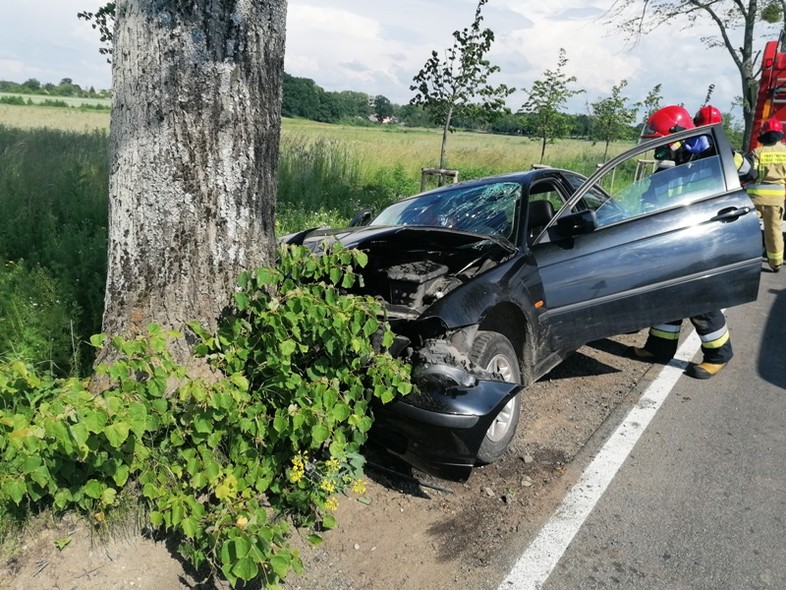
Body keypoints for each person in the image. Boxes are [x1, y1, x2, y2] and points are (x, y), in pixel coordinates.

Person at [631, 105, 734, 379]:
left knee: (700, 296)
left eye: (663, 145)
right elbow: (657, 198)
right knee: (668, 291)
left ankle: (719, 354)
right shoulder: (679, 164)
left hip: (704, 237)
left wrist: (712, 147)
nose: (659, 152)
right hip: (678, 236)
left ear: (678, 136)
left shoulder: (711, 156)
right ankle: (660, 347)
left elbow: (740, 168)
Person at [746, 116, 786, 273]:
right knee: (774, 230)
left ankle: (745, 259)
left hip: (755, 198)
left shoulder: (757, 152)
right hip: (775, 200)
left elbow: (751, 174)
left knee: (748, 230)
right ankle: (775, 263)